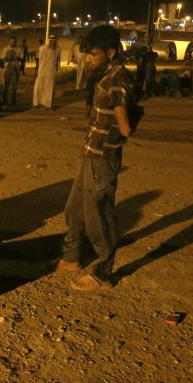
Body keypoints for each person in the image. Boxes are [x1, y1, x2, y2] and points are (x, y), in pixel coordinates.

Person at [57, 25, 139, 291]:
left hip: (103, 157)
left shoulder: (117, 78)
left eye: (93, 54)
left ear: (111, 52)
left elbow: (125, 126)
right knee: (74, 208)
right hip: (90, 154)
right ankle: (71, 258)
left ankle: (104, 273)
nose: (89, 59)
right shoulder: (106, 74)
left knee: (98, 217)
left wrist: (120, 132)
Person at [32, 34, 61, 109]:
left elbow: (57, 59)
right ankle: (36, 103)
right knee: (38, 87)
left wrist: (58, 68)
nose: (53, 41)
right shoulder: (43, 48)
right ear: (49, 40)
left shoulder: (58, 49)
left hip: (51, 71)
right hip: (42, 70)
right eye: (52, 40)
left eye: (55, 40)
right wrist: (38, 70)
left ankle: (47, 103)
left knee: (49, 88)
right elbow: (40, 60)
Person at [2, 36, 20, 106]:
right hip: (7, 69)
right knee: (6, 86)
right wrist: (8, 58)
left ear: (16, 42)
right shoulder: (6, 49)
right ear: (9, 41)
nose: (13, 43)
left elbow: (21, 58)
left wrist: (16, 58)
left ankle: (13, 101)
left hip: (15, 69)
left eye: (14, 41)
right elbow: (3, 58)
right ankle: (5, 100)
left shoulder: (18, 49)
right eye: (11, 41)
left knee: (14, 86)